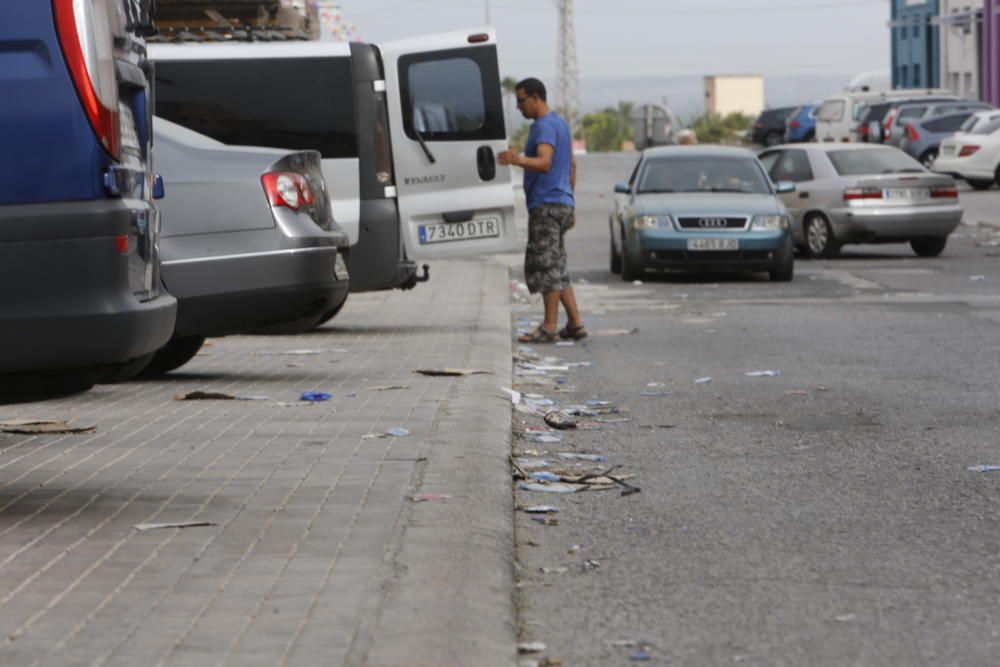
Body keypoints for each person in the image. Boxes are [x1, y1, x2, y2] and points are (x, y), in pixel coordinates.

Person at [497, 78, 586, 343]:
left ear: (536, 98)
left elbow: (545, 162)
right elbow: (571, 166)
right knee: (557, 265)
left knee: (546, 267)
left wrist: (517, 160)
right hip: (561, 203)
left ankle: (549, 326)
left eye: (522, 101)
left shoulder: (544, 126)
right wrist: (569, 201)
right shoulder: (561, 124)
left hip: (546, 206)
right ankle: (576, 324)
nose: (519, 108)